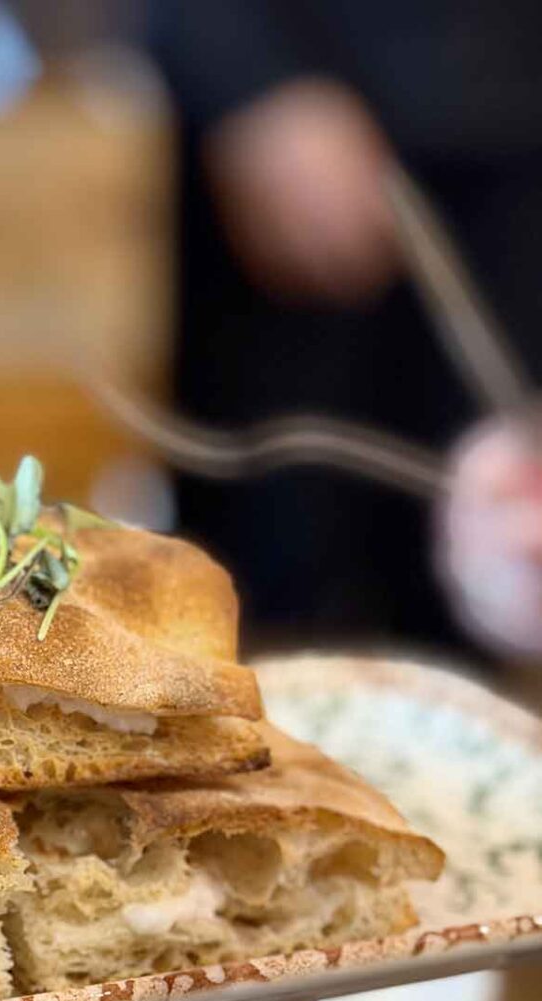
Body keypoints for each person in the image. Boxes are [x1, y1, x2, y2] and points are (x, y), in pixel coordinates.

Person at [143, 1, 542, 653]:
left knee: (490, 582)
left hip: (513, 146)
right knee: (273, 586)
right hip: (292, 117)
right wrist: (249, 71)